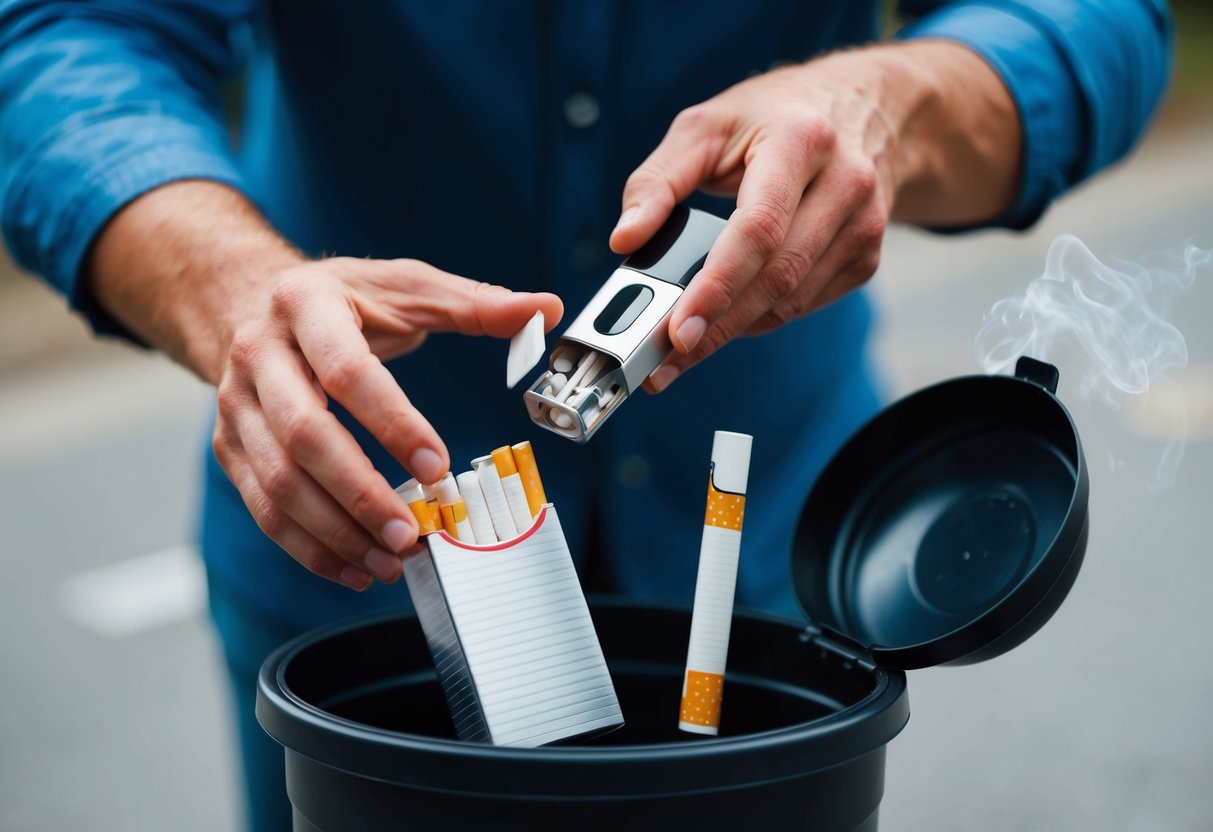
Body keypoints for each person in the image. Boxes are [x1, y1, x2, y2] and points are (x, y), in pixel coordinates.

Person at [0, 1, 1171, 829]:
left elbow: (1100, 19)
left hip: (767, 568)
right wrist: (229, 286)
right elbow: (70, 34)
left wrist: (893, 101)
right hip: (361, 560)